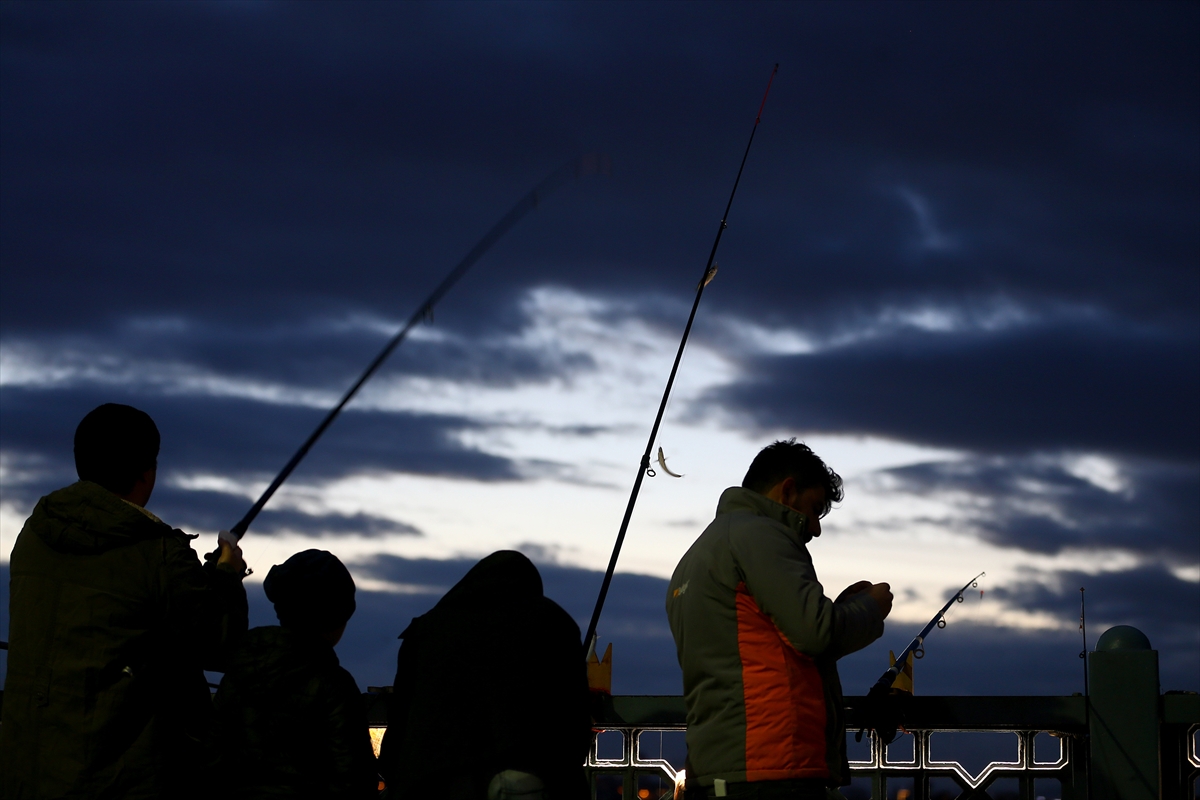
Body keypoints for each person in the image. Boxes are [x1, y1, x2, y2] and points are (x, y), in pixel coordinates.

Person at [0, 402, 249, 799]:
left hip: (27, 770)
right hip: (116, 782)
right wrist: (226, 576)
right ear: (146, 472)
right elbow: (220, 643)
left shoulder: (34, 535)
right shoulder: (160, 553)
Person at [666, 439, 893, 799]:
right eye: (815, 509)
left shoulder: (698, 554)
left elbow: (767, 646)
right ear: (788, 491)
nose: (815, 528)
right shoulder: (762, 535)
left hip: (715, 769)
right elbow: (815, 633)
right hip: (773, 767)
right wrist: (870, 609)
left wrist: (841, 610)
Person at [377, 550, 592, 800]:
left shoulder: (428, 628)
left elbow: (402, 715)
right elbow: (572, 717)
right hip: (525, 780)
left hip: (434, 781)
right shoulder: (554, 622)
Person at [209, 549, 379, 799]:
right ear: (337, 616)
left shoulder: (241, 671)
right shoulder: (334, 684)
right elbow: (355, 780)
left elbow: (212, 756)